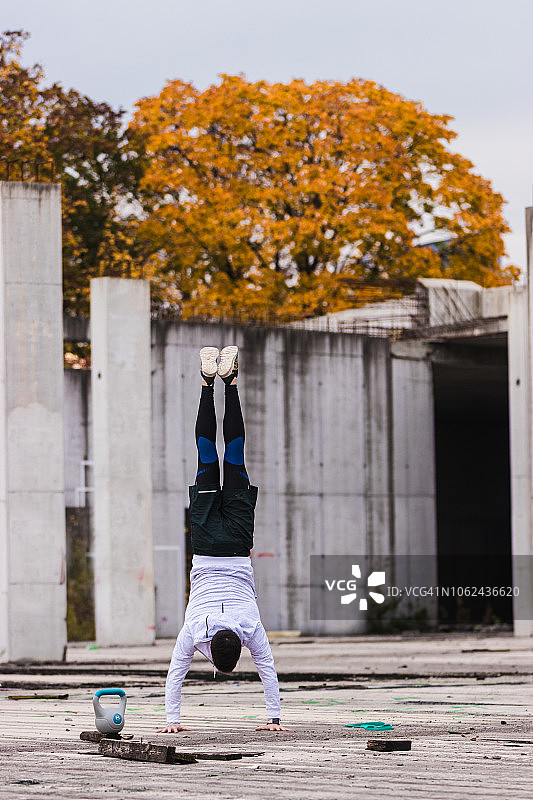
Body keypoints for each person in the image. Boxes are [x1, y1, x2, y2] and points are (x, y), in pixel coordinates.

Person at [157, 345, 290, 734]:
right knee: (206, 457)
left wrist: (275, 717)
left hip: (236, 542)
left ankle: (229, 383)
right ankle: (205, 383)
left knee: (233, 455)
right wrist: (172, 723)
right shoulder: (194, 630)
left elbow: (267, 669)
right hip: (203, 545)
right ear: (213, 649)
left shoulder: (250, 626)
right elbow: (174, 678)